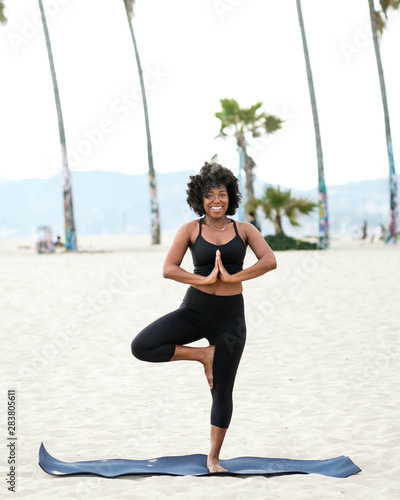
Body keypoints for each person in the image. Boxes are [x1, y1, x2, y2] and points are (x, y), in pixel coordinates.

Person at [131, 162, 277, 473]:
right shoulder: (190, 230)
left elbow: (269, 261)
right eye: (209, 195)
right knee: (142, 345)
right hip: (194, 310)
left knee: (222, 390)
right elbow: (169, 269)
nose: (216, 201)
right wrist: (204, 280)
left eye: (222, 194)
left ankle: (213, 458)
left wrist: (236, 274)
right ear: (201, 198)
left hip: (230, 319)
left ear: (230, 197)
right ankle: (202, 355)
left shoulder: (245, 230)